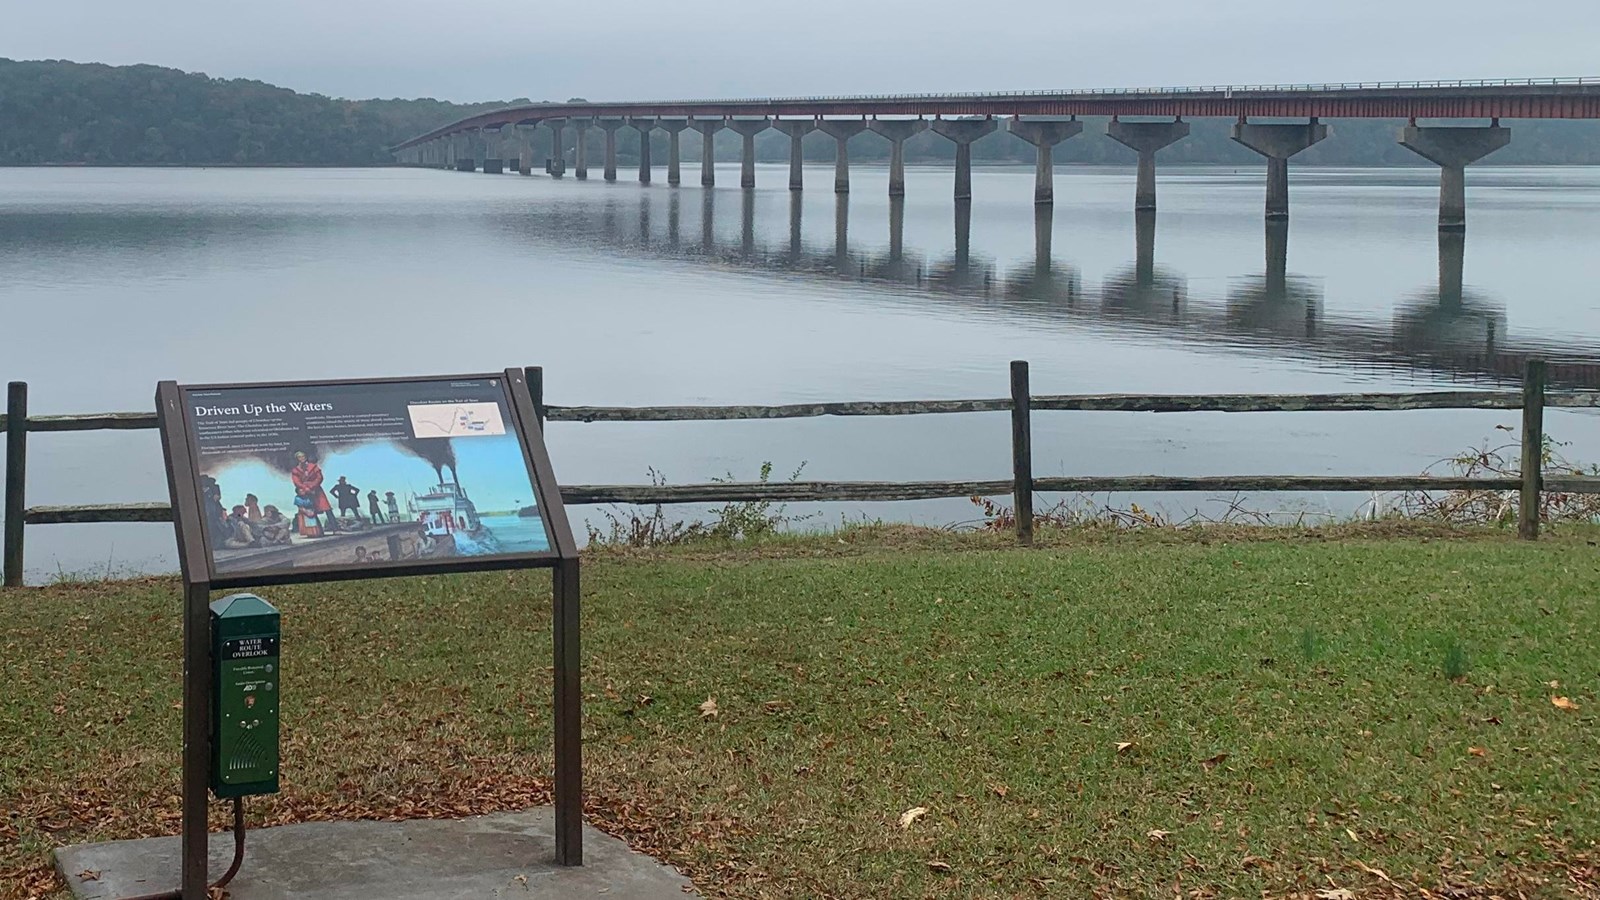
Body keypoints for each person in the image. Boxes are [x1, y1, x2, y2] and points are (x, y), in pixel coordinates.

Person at [290, 450, 338, 534]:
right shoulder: (295, 470)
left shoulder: (313, 466)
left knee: (327, 509)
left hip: (317, 490)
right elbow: (296, 482)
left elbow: (319, 477)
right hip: (305, 492)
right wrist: (306, 488)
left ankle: (335, 529)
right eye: (300, 457)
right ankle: (318, 531)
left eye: (303, 456)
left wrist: (312, 486)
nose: (302, 458)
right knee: (311, 510)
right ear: (297, 459)